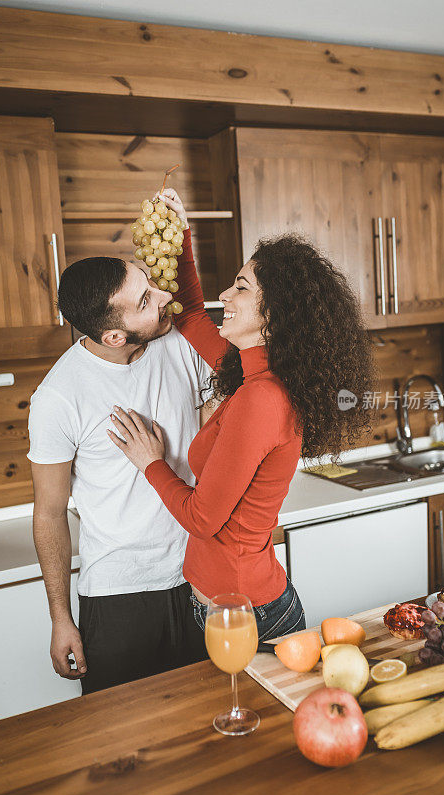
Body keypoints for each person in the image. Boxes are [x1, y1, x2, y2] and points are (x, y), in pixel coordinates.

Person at [108, 188, 375, 642]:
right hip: (232, 607)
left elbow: (201, 519)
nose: (224, 294)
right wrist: (181, 233)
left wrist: (150, 461)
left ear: (273, 314)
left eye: (241, 288)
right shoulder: (250, 372)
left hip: (251, 613)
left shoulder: (262, 398)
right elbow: (191, 312)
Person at [28, 250, 214, 694]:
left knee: (213, 725)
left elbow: (219, 417)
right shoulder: (58, 396)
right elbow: (50, 513)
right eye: (146, 300)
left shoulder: (180, 345)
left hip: (201, 581)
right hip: (119, 598)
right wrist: (60, 619)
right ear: (114, 335)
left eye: (150, 284)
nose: (165, 296)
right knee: (121, 748)